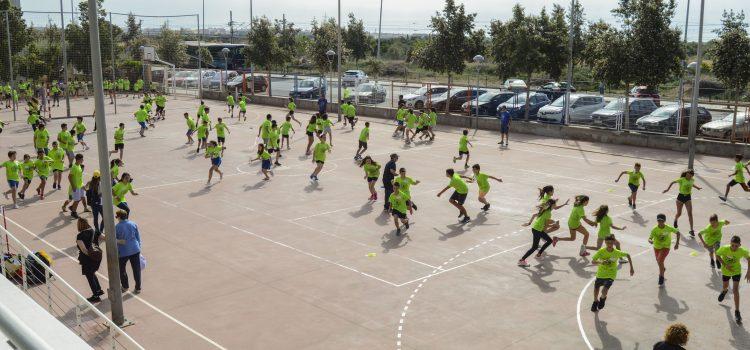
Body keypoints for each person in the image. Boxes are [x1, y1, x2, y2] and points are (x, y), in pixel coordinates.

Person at [590, 234, 634, 312]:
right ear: (605, 243)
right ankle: (595, 301)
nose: (609, 244)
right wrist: (601, 262)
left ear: (613, 243)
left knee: (604, 290)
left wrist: (631, 268)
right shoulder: (601, 251)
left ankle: (602, 299)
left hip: (611, 274)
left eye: (611, 243)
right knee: (596, 289)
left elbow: (628, 255)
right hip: (600, 273)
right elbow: (593, 261)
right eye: (607, 243)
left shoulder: (617, 252)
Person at [716, 235, 750, 324]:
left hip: (736, 271)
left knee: (735, 290)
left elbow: (749, 258)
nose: (734, 247)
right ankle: (724, 291)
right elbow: (717, 255)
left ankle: (737, 312)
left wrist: (748, 271)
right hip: (726, 271)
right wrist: (725, 264)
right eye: (732, 245)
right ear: (730, 244)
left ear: (739, 245)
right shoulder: (725, 248)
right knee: (725, 286)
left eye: (736, 246)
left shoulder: (742, 251)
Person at [519, 199, 561, 266]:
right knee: (535, 246)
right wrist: (554, 225)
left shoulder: (546, 210)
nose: (556, 205)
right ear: (552, 205)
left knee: (548, 241)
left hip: (536, 228)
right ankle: (522, 260)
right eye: (555, 204)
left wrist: (553, 223)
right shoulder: (548, 213)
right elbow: (546, 225)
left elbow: (544, 222)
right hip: (538, 230)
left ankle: (537, 255)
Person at [662, 169, 701, 237]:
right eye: (687, 174)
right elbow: (672, 182)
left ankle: (691, 230)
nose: (688, 176)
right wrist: (667, 189)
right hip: (680, 197)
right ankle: (675, 220)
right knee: (679, 213)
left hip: (688, 197)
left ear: (692, 176)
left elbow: (692, 184)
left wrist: (697, 187)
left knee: (690, 213)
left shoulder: (692, 180)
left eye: (689, 175)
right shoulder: (682, 179)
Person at [76, 218, 104, 302]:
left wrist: (90, 256)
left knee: (90, 276)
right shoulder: (94, 231)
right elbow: (104, 237)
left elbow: (84, 250)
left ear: (79, 225)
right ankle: (98, 290)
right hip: (97, 256)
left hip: (87, 260)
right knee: (92, 273)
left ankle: (96, 296)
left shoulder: (80, 236)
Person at [649, 213, 681, 286]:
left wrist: (677, 243)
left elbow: (678, 233)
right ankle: (663, 269)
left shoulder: (668, 228)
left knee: (660, 260)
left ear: (664, 221)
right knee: (658, 261)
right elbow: (650, 237)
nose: (660, 222)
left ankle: (661, 277)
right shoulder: (654, 229)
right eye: (659, 221)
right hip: (656, 247)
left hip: (665, 247)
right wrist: (650, 240)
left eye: (662, 221)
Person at [115, 210, 142, 294]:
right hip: (135, 249)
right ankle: (138, 288)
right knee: (136, 269)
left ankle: (125, 286)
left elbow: (114, 239)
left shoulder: (117, 227)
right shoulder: (133, 224)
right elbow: (138, 237)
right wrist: (138, 247)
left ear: (119, 217)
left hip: (123, 251)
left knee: (122, 269)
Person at [67, 154, 86, 219]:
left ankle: (72, 207)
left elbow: (80, 177)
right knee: (77, 200)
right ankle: (73, 212)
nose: (82, 160)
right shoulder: (74, 167)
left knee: (80, 198)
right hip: (76, 186)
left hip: (80, 185)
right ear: (78, 159)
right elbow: (69, 177)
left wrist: (82, 185)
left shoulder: (79, 166)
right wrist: (73, 186)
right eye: (82, 159)